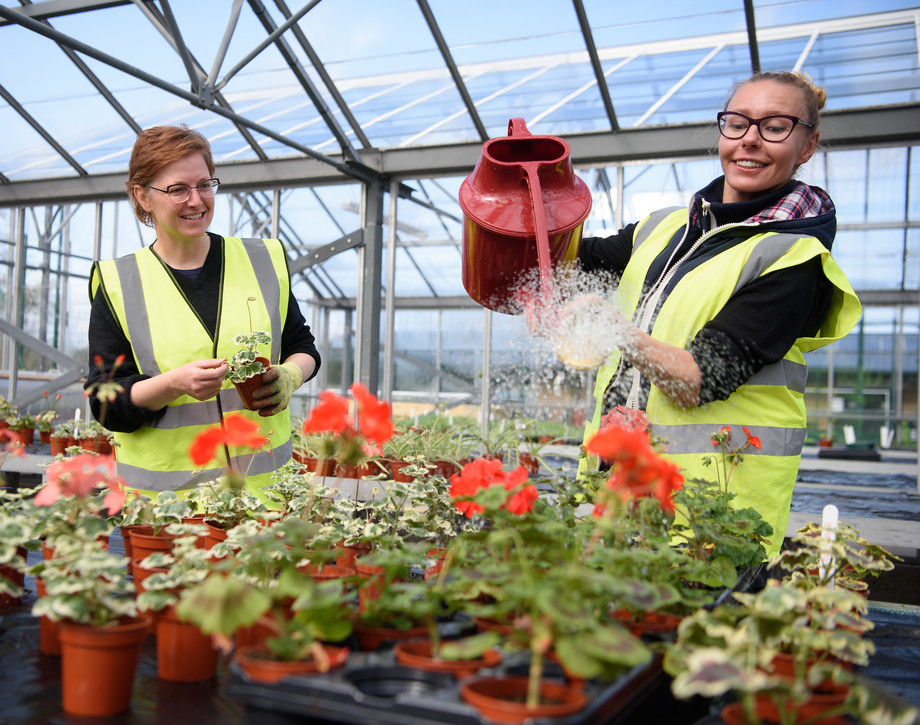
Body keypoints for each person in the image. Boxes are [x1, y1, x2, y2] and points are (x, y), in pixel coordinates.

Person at [576, 72, 861, 557]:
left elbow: (699, 379)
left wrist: (614, 332)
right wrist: (516, 221)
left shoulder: (793, 259)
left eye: (775, 127)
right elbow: (566, 263)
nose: (749, 139)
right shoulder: (664, 228)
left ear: (808, 145)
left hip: (711, 519)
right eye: (737, 122)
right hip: (618, 496)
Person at [85, 124, 320, 497]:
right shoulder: (119, 282)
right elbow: (105, 403)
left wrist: (290, 375)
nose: (196, 200)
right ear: (142, 196)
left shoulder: (263, 260)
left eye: (205, 184)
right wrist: (172, 384)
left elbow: (302, 346)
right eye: (177, 189)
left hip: (266, 501)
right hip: (168, 513)